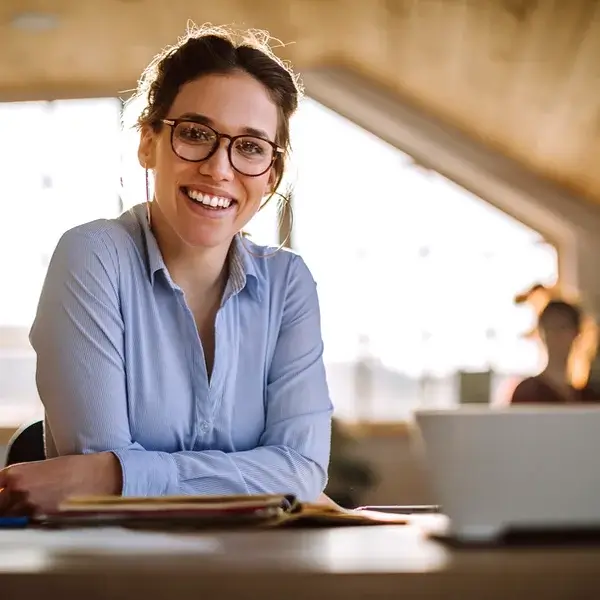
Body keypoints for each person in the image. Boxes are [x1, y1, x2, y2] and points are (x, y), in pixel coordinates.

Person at [0, 26, 333, 516]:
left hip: (255, 573)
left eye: (251, 147)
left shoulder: (289, 284)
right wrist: (264, 477)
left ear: (272, 176)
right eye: (196, 134)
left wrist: (120, 475)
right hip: (115, 576)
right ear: (147, 142)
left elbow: (303, 471)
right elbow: (93, 490)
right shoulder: (92, 256)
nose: (220, 168)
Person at [510, 300, 600, 404]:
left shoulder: (588, 397)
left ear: (576, 333)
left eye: (563, 327)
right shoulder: (527, 392)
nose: (556, 336)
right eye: (550, 328)